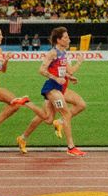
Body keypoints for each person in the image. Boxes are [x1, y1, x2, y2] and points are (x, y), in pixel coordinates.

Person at [14, 26, 87, 157]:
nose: (69, 39)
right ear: (58, 40)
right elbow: (41, 70)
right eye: (66, 37)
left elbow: (69, 71)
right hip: (52, 88)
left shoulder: (64, 53)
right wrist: (56, 78)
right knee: (66, 114)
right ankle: (71, 147)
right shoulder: (53, 53)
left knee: (50, 117)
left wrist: (73, 72)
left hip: (62, 88)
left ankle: (23, 134)